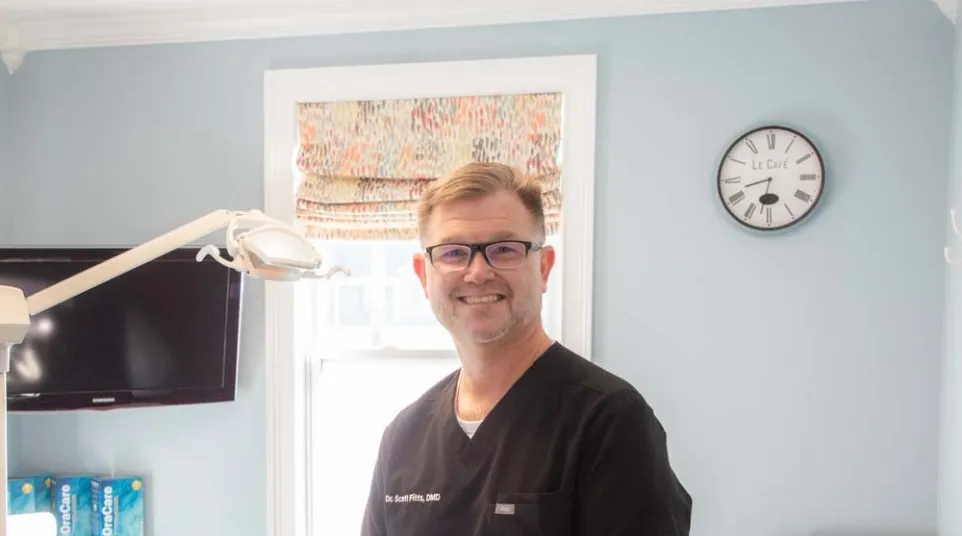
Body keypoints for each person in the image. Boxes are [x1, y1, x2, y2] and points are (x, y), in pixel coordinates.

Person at [360, 162, 692, 536]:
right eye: (453, 253)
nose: (478, 272)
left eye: (504, 249)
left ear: (544, 268)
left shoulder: (608, 421)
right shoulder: (404, 438)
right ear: (424, 275)